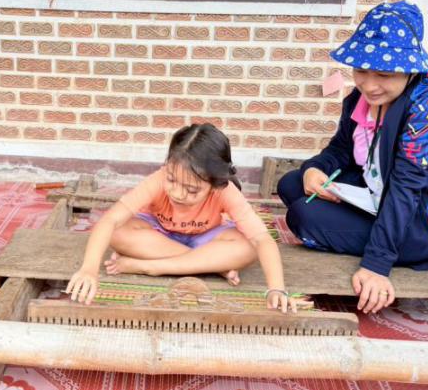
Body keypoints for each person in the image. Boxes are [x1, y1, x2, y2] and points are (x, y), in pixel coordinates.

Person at [277, 0, 428, 315]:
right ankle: (354, 230)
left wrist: (377, 265)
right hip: (377, 194)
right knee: (292, 183)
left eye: (383, 73)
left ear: (410, 69)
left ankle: (379, 244)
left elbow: (408, 186)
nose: (369, 84)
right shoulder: (363, 96)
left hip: (425, 225)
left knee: (304, 216)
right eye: (361, 70)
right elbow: (341, 149)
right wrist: (315, 169)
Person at [66, 123, 293, 311]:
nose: (177, 193)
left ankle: (151, 266)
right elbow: (110, 220)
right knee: (117, 232)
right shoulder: (158, 179)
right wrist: (89, 269)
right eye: (172, 180)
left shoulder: (225, 191)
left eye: (192, 190)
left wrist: (276, 288)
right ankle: (211, 266)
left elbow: (261, 238)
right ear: (167, 165)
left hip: (205, 238)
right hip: (159, 234)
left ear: (214, 184)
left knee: (248, 248)